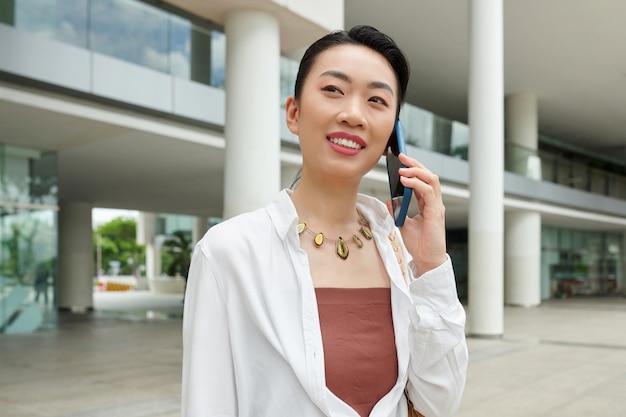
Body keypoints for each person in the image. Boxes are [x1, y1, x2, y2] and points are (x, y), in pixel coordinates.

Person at [182, 25, 468, 417]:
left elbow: (441, 401)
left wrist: (431, 267)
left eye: (376, 100)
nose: (353, 114)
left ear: (392, 140)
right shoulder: (228, 252)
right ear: (294, 113)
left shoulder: (397, 251)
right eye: (333, 90)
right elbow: (207, 405)